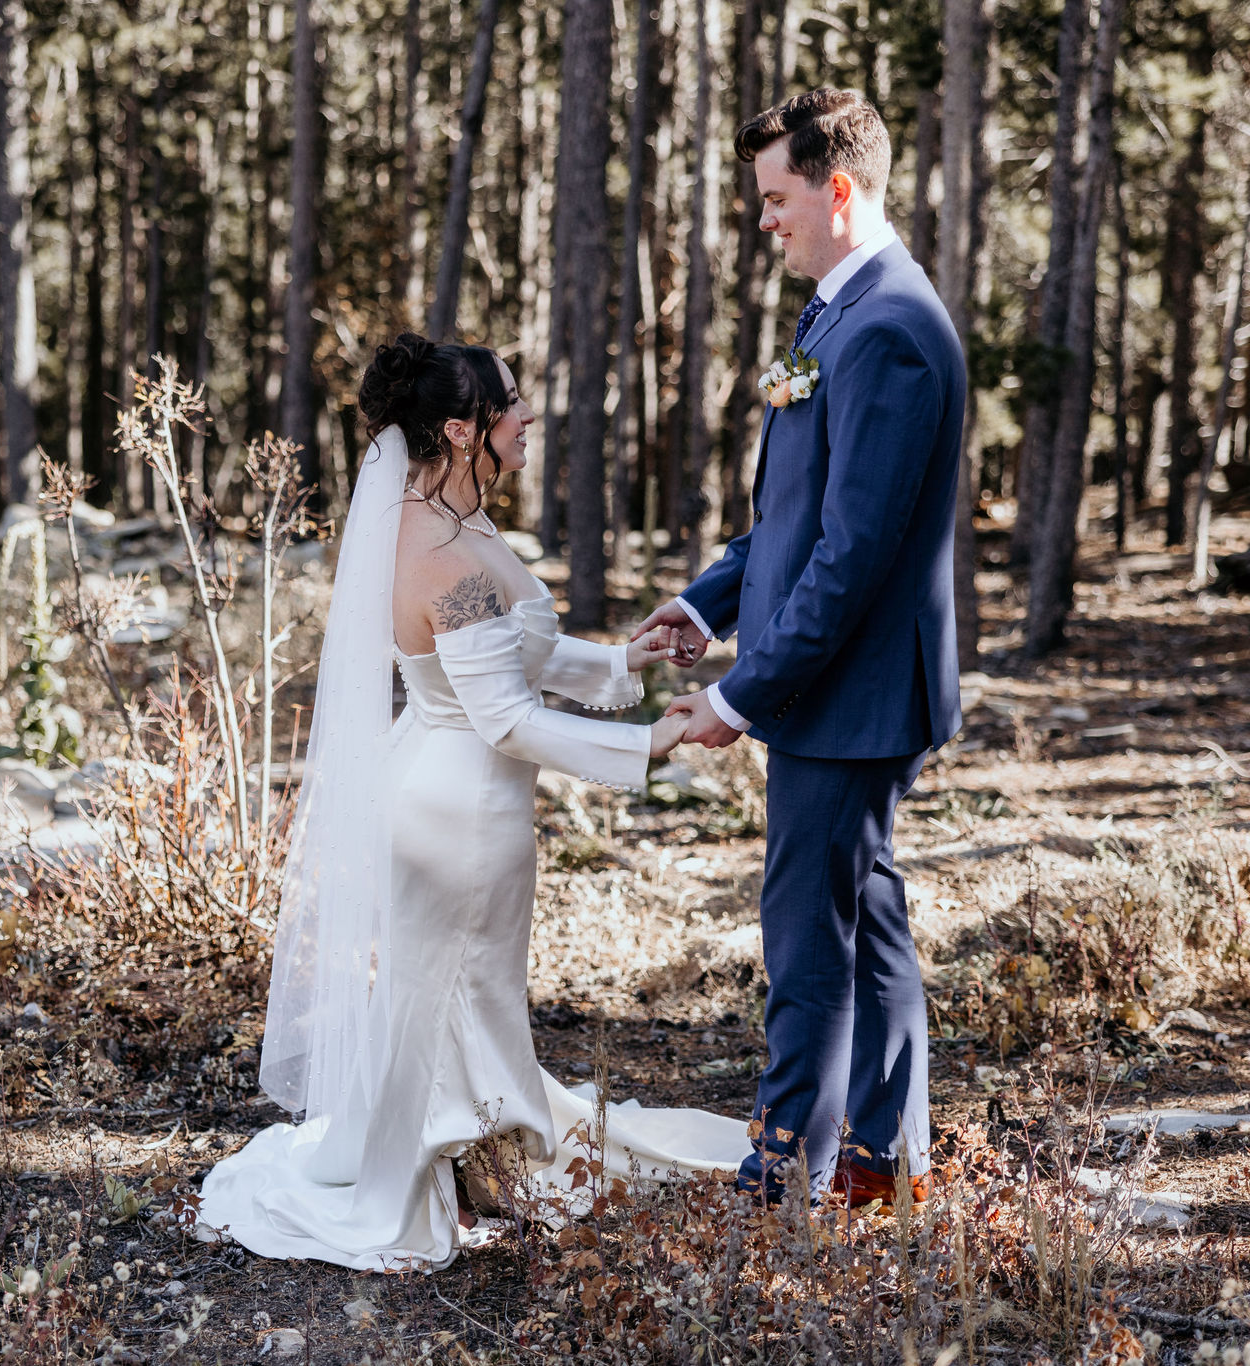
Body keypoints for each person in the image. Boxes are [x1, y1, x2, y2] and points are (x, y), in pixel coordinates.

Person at [193, 335, 748, 1271]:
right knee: (438, 994)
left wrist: (622, 663)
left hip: (460, 793)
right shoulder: (440, 553)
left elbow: (506, 650)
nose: (529, 416)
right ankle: (414, 1178)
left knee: (460, 996)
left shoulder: (453, 517)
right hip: (460, 811)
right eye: (512, 405)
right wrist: (648, 742)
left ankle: (475, 1154)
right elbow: (506, 719)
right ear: (461, 429)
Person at [634, 88, 967, 1206]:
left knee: (806, 941)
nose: (762, 220)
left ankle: (784, 1182)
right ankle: (883, 1156)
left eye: (775, 199)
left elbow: (855, 553)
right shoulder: (837, 309)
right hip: (830, 684)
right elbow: (793, 514)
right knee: (862, 913)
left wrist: (740, 698)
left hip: (850, 692)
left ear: (836, 189)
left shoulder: (891, 331)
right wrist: (706, 604)